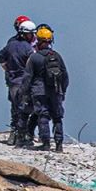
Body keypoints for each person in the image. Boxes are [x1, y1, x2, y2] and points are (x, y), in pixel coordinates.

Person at [21, 23, 70, 151]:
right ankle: (59, 144)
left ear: (38, 40)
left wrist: (24, 93)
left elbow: (27, 77)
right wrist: (62, 91)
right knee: (57, 117)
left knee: (43, 116)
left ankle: (46, 143)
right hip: (55, 90)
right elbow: (65, 76)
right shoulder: (57, 56)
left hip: (39, 91)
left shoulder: (34, 57)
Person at [0, 18, 37, 146]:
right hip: (24, 82)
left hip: (12, 81)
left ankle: (13, 134)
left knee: (15, 108)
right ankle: (22, 136)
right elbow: (33, 65)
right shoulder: (28, 48)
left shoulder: (10, 44)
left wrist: (8, 70)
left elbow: (0, 58)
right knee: (25, 109)